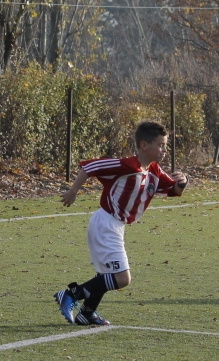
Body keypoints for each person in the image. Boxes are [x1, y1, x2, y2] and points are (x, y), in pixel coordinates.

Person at [53, 120, 188, 326]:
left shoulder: (154, 170)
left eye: (165, 145)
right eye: (160, 145)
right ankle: (71, 294)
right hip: (106, 224)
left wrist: (182, 182)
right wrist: (73, 191)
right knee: (122, 278)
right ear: (144, 145)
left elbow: (173, 191)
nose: (164, 149)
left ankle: (86, 314)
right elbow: (91, 166)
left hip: (114, 226)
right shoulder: (127, 165)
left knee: (105, 275)